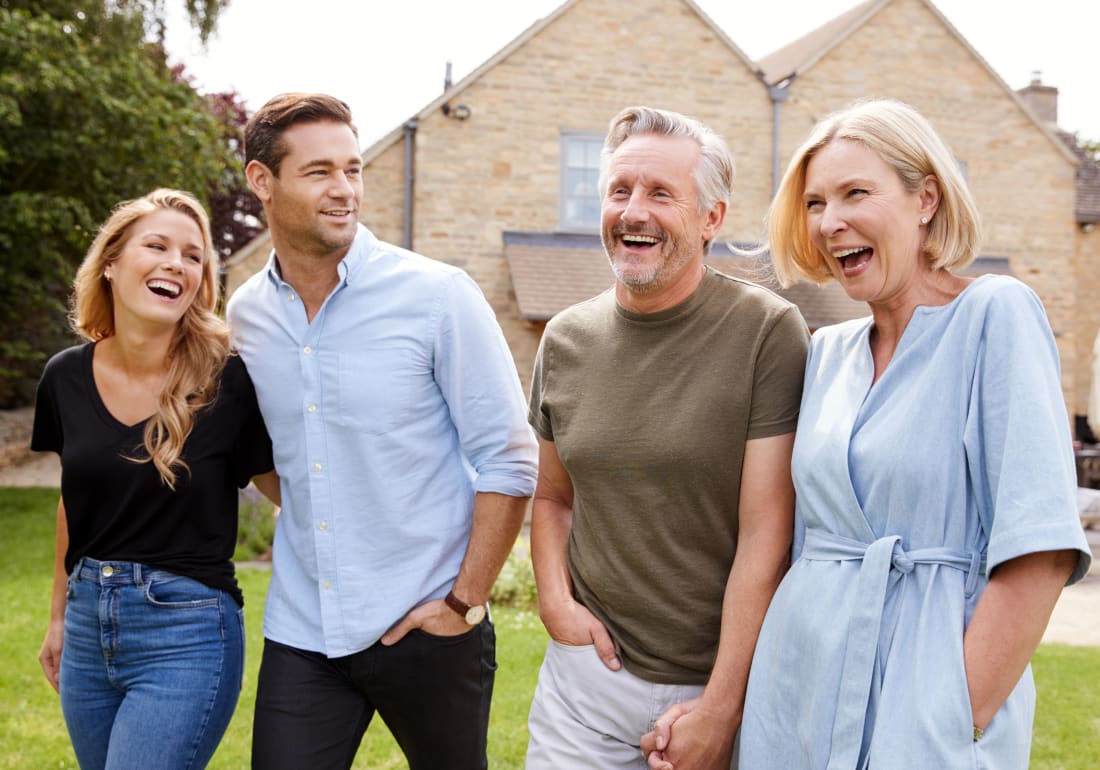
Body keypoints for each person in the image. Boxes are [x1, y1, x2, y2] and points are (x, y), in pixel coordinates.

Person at [735, 99, 1092, 769]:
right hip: (797, 693)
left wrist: (954, 711)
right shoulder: (826, 353)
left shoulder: (994, 316)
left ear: (924, 197)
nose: (829, 221)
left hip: (926, 698)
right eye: (814, 203)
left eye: (854, 193)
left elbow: (1039, 548)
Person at [226, 93, 538, 770]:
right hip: (303, 632)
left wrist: (463, 601)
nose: (344, 191)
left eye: (353, 169)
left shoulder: (438, 296)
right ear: (262, 182)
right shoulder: (245, 316)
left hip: (430, 622)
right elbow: (267, 457)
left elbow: (511, 459)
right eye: (318, 173)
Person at [526, 105, 809, 770]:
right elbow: (550, 499)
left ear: (712, 218)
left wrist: (720, 708)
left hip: (719, 679)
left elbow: (767, 534)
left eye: (660, 193)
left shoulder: (768, 332)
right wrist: (556, 605)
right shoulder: (564, 338)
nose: (633, 212)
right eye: (619, 191)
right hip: (585, 685)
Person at [32, 189, 277, 770]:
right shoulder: (64, 377)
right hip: (89, 628)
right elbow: (74, 502)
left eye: (194, 256)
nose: (178, 263)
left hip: (188, 633)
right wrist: (59, 616)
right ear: (112, 264)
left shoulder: (228, 382)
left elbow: (290, 489)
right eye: (159, 245)